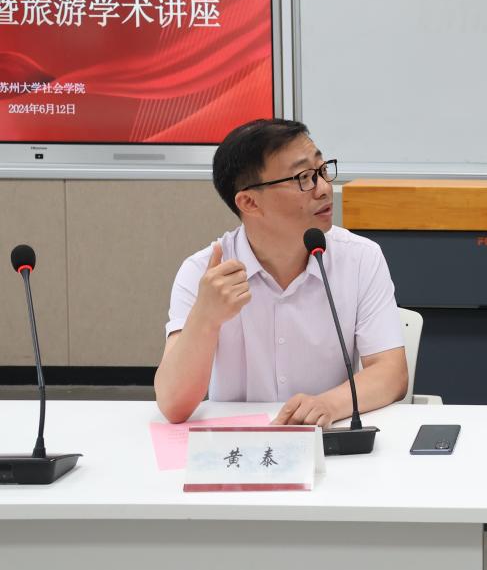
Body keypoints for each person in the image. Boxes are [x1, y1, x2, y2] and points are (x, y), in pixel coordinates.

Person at [155, 118, 407, 426]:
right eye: (304, 178)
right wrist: (205, 318)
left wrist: (328, 405)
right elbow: (173, 405)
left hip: (326, 435)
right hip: (237, 444)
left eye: (322, 171)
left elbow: (391, 373)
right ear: (249, 202)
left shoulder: (360, 258)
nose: (324, 189)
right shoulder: (204, 273)